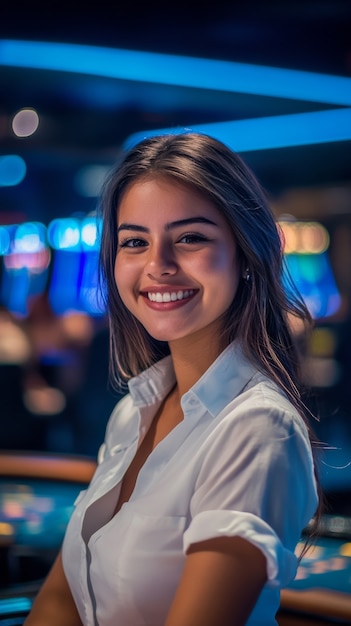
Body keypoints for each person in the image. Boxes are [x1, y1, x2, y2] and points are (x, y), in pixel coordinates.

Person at [24, 132, 322, 626]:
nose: (158, 266)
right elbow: (60, 602)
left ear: (246, 253)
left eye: (190, 237)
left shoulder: (257, 427)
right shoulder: (132, 413)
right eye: (135, 242)